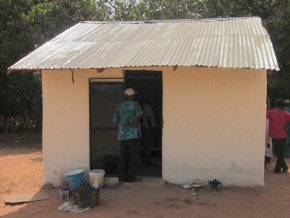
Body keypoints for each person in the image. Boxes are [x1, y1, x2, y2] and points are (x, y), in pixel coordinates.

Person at [113, 88, 143, 182]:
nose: (135, 96)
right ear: (132, 96)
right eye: (134, 95)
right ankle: (130, 177)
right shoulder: (135, 105)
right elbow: (139, 115)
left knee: (123, 156)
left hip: (122, 135)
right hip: (133, 134)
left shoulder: (119, 106)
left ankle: (122, 178)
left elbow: (115, 120)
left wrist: (123, 123)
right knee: (133, 156)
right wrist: (134, 122)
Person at [267, 98, 290, 173]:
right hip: (283, 135)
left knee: (278, 153)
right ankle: (283, 167)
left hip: (273, 134)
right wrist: (287, 127)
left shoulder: (270, 112)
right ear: (282, 104)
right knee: (280, 153)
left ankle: (279, 169)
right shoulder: (285, 113)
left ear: (276, 104)